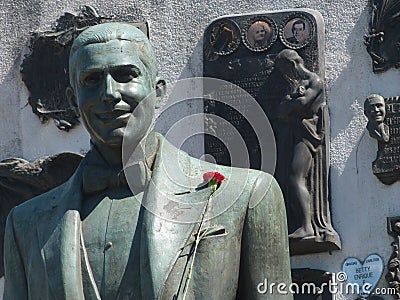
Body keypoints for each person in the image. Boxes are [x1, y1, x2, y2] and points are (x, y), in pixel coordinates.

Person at [4, 23, 292, 299]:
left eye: (125, 75)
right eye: (91, 80)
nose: (109, 93)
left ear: (158, 91)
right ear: (72, 100)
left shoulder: (247, 195)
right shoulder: (25, 226)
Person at [273, 49, 340, 247]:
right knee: (289, 177)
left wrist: (290, 101)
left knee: (296, 176)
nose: (284, 74)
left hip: (307, 135)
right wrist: (290, 102)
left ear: (292, 64)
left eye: (284, 69)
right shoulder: (297, 85)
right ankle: (302, 224)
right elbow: (280, 111)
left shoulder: (315, 81)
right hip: (295, 133)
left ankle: (307, 226)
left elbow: (302, 103)